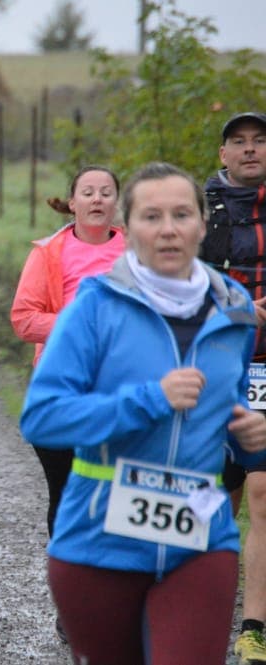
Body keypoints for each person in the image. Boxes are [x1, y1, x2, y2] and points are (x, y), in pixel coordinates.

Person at [20, 161, 266, 665]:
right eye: (152, 216)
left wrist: (248, 434)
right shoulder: (93, 307)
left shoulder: (235, 307)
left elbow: (230, 405)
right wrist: (150, 399)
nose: (168, 228)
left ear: (203, 224)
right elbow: (42, 417)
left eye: (182, 214)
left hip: (199, 537)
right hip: (100, 539)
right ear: (128, 229)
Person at [10, 165, 123, 644]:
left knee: (117, 498)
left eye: (106, 192)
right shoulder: (49, 252)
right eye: (88, 192)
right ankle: (73, 602)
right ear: (73, 202)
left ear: (116, 202)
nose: (97, 199)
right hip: (61, 391)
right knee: (69, 497)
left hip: (121, 394)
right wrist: (79, 325)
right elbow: (23, 319)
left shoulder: (135, 252)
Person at [198, 111, 266, 665]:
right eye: (238, 142)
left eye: (260, 141)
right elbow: (176, 287)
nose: (249, 150)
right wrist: (238, 308)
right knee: (219, 496)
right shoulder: (199, 211)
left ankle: (254, 630)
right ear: (223, 154)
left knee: (263, 496)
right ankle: (200, 616)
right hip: (216, 368)